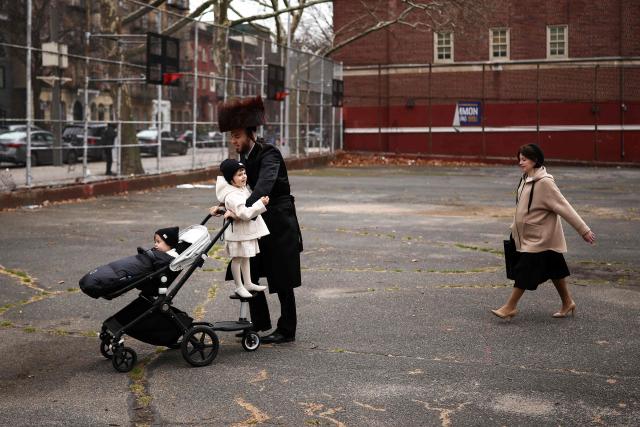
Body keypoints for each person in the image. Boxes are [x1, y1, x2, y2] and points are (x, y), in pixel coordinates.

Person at [209, 96, 303, 344]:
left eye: (237, 135)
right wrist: (225, 206)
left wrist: (242, 209)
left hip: (279, 220)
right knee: (248, 267)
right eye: (231, 136)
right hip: (254, 219)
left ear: (250, 133)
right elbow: (238, 191)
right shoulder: (243, 161)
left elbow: (264, 185)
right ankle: (259, 323)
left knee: (281, 276)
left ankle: (287, 329)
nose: (233, 140)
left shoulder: (269, 152)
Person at [491, 143, 596, 320]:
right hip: (528, 234)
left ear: (535, 160)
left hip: (539, 237)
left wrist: (583, 230)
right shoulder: (525, 178)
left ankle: (510, 307)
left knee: (525, 269)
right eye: (519, 159)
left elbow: (564, 206)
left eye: (524, 159)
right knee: (556, 269)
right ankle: (568, 302)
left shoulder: (545, 183)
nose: (520, 162)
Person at [215, 158, 270, 298]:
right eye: (239, 174)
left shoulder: (241, 189)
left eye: (244, 173)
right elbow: (244, 213)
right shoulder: (233, 195)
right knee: (237, 259)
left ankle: (248, 283)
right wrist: (260, 204)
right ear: (230, 179)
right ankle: (239, 286)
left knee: (246, 257)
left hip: (244, 233)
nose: (244, 176)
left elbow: (246, 207)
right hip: (237, 234)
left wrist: (257, 202)